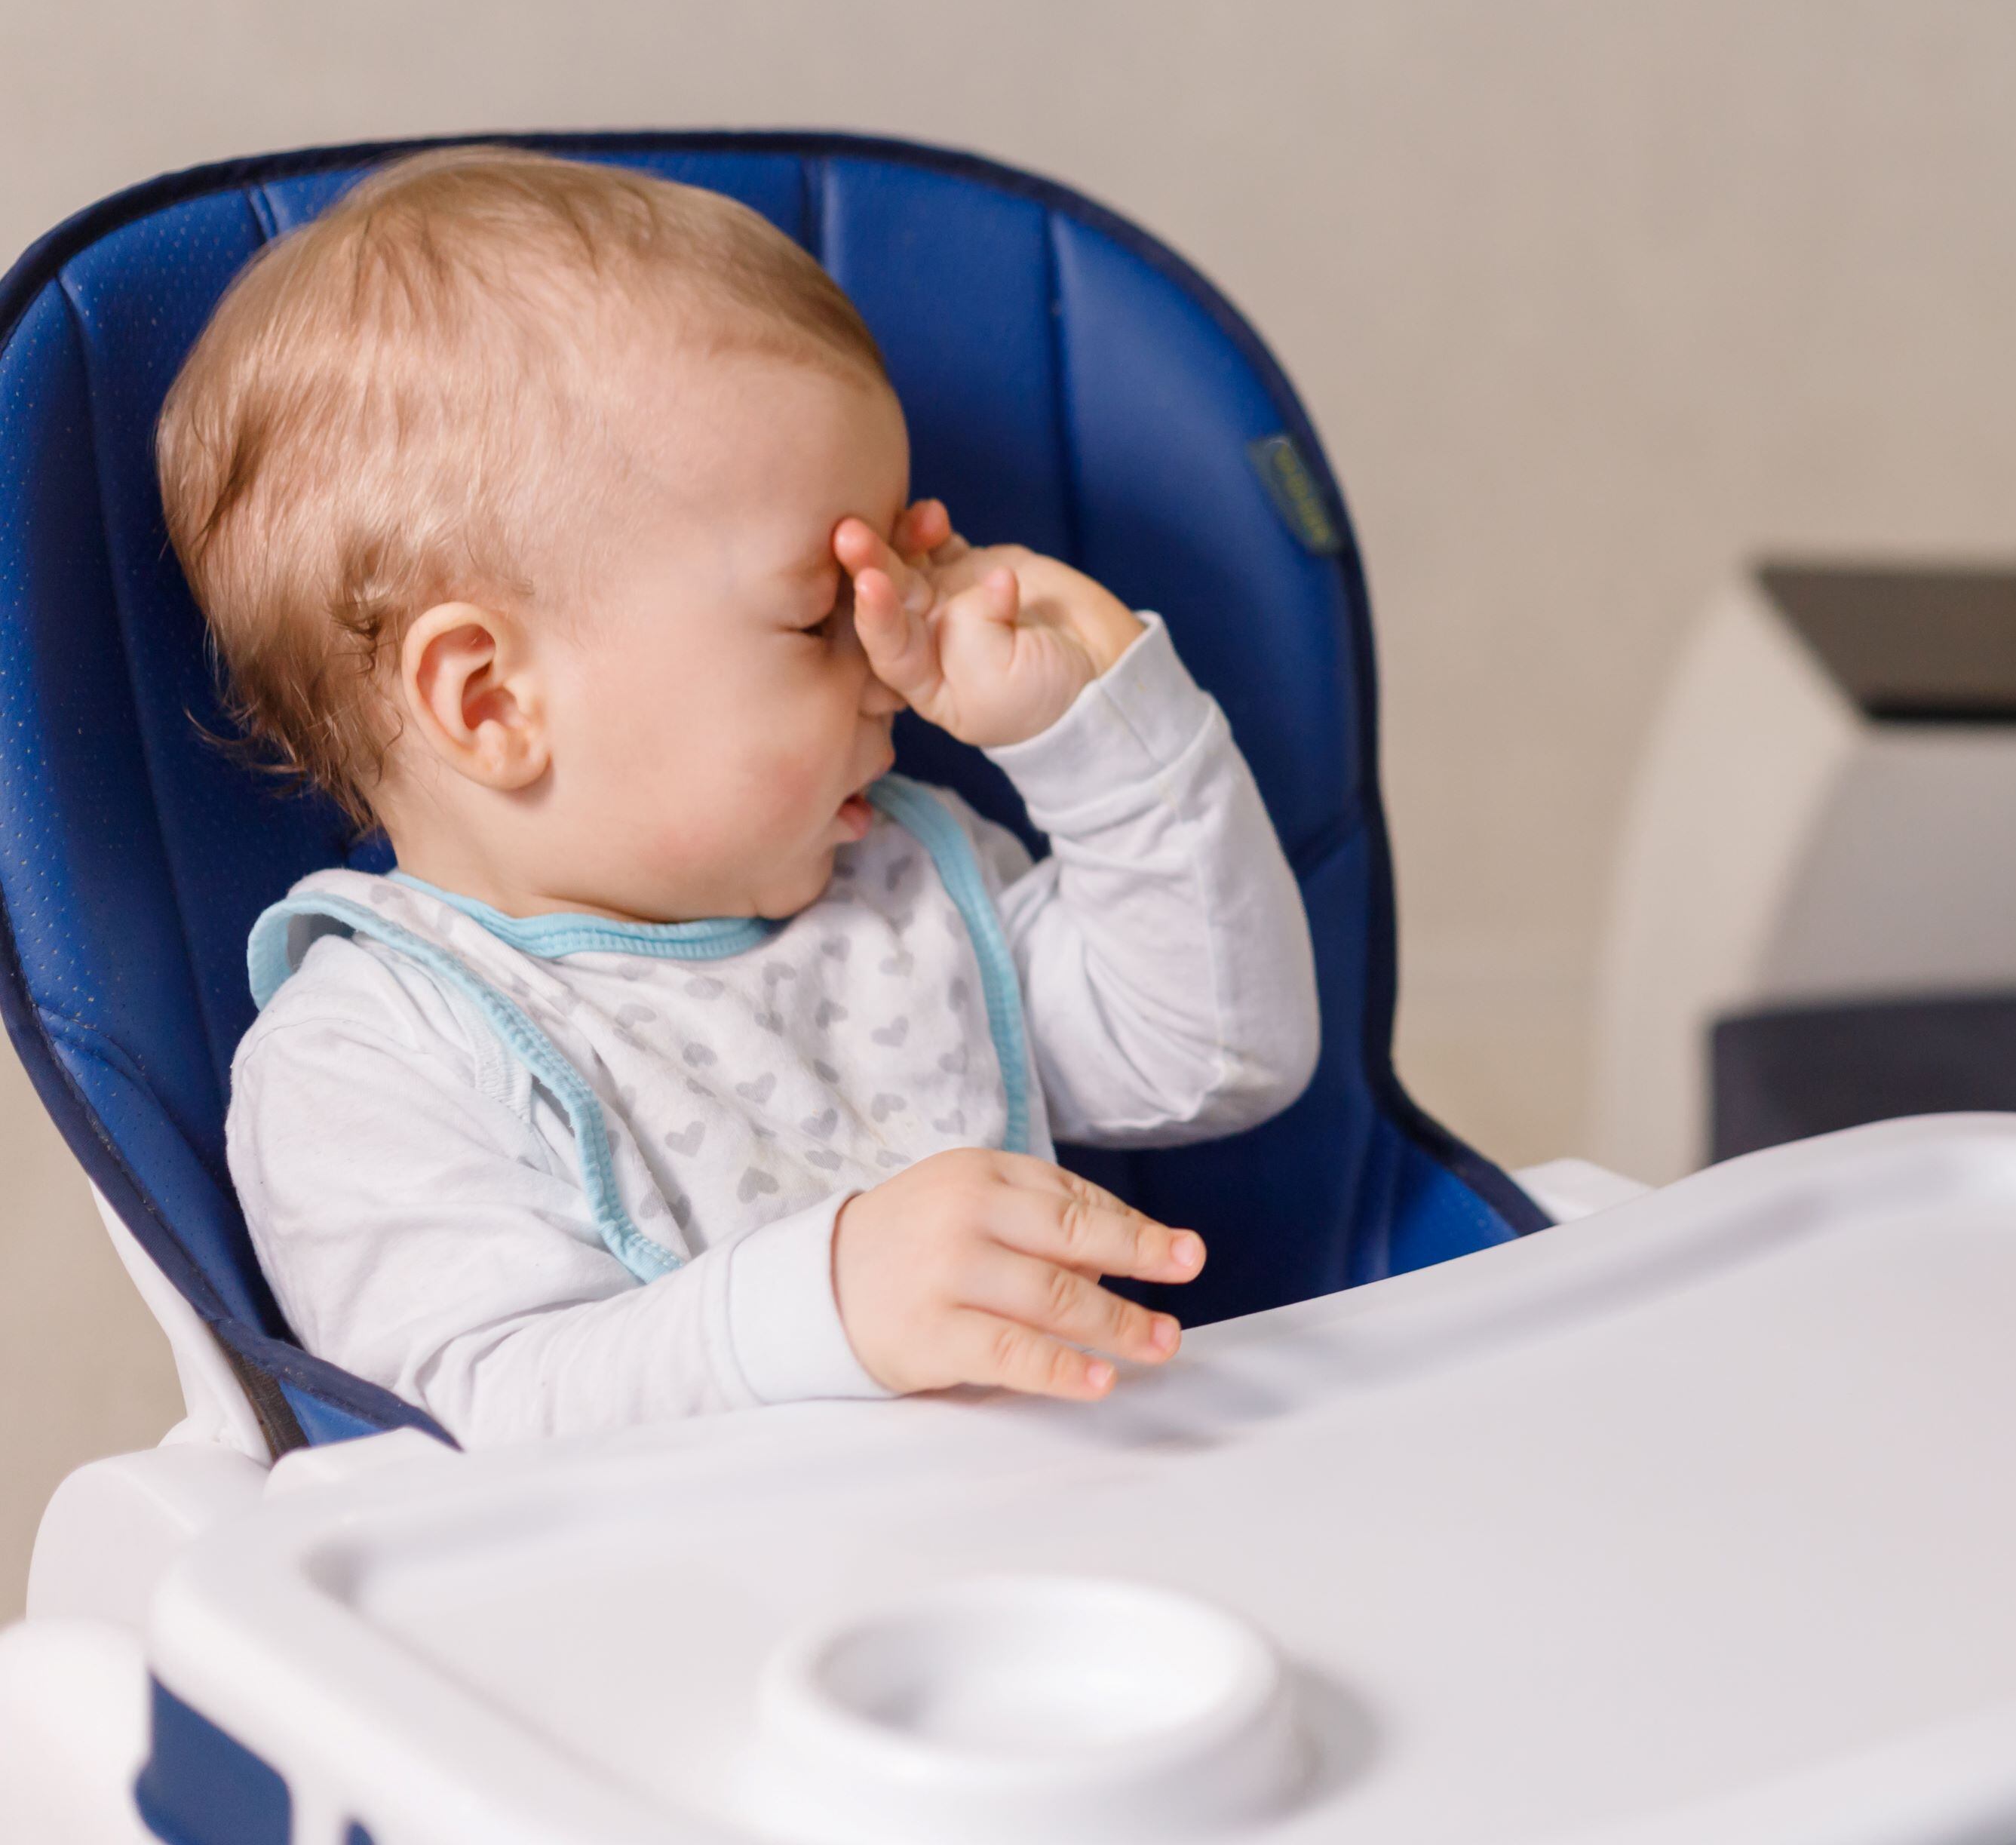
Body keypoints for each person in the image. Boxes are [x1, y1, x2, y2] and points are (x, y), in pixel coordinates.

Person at [163, 148, 1321, 1445]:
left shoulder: (908, 885)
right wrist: (823, 1301)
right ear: (490, 702)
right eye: (827, 612)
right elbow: (463, 1423)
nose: (895, 666)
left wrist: (1098, 727)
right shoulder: (376, 1053)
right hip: (664, 1628)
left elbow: (1222, 1057)